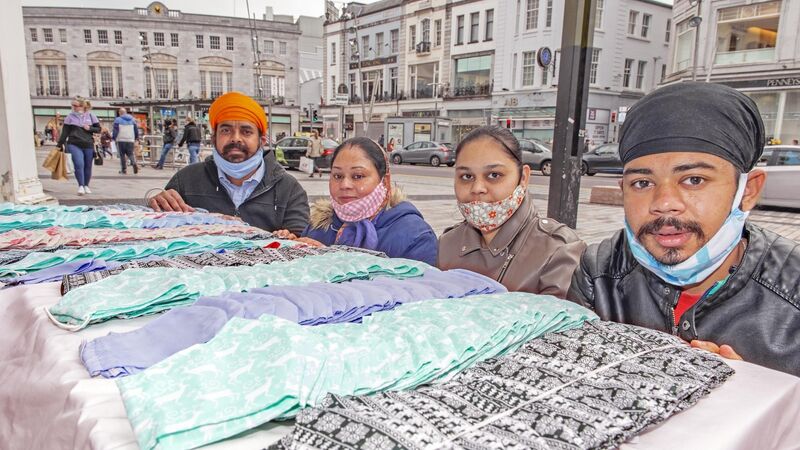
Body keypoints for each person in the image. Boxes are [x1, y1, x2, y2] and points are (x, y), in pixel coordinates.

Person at [568, 82, 800, 377]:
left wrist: (759, 392)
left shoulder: (792, 291)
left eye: (694, 180)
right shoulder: (599, 274)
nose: (664, 203)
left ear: (748, 190)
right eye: (642, 183)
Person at [437, 126, 585, 297]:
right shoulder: (447, 245)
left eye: (494, 175)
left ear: (523, 178)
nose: (477, 188)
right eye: (466, 176)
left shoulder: (558, 250)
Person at [147, 91, 309, 234]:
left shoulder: (289, 189)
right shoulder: (185, 180)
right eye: (226, 130)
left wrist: (289, 237)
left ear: (262, 141)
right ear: (214, 138)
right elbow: (155, 231)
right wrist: (156, 202)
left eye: (246, 132)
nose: (235, 138)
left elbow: (302, 239)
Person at [275, 137, 438, 265]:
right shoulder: (318, 226)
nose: (345, 185)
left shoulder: (415, 236)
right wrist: (291, 246)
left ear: (385, 181)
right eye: (337, 176)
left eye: (358, 176)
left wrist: (329, 260)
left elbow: (416, 293)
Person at [57, 97, 100, 195]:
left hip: (88, 144)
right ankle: (81, 185)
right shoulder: (69, 117)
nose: (73, 107)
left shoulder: (91, 116)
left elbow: (98, 129)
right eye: (72, 105)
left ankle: (86, 185)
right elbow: (65, 133)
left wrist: (89, 128)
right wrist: (59, 144)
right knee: (79, 164)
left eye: (76, 105)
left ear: (82, 106)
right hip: (74, 143)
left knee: (88, 166)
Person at [112, 107, 139, 175]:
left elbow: (115, 130)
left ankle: (124, 170)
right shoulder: (133, 120)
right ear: (126, 112)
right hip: (130, 139)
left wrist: (114, 137)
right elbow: (136, 130)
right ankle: (134, 163)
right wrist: (136, 138)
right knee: (130, 153)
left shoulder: (117, 120)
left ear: (119, 113)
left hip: (121, 139)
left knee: (122, 155)